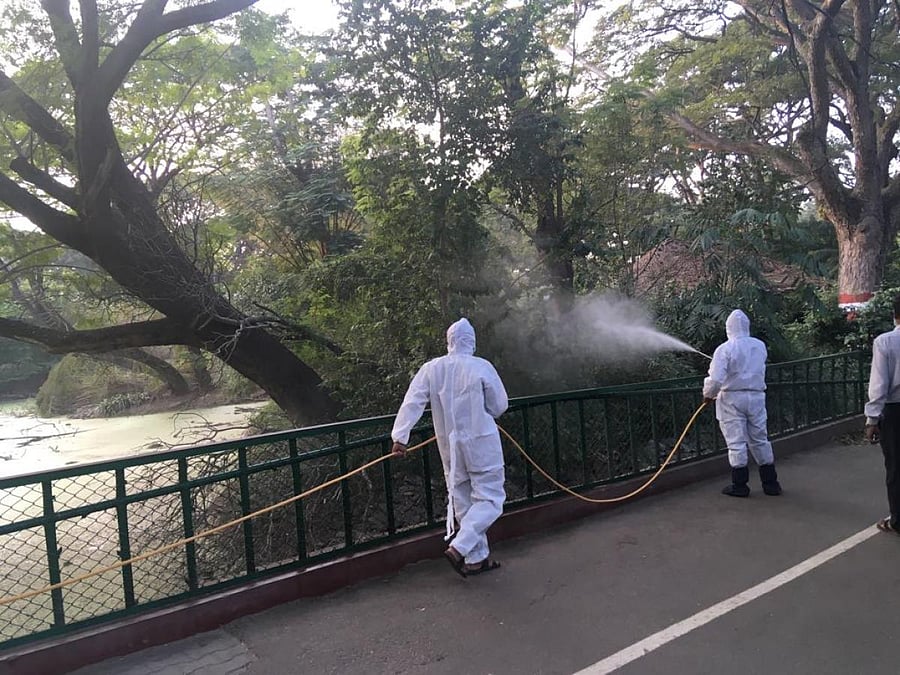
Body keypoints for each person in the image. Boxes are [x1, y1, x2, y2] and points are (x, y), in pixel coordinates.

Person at [390, 318, 509, 577]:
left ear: (449, 341)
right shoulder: (481, 366)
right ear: (472, 341)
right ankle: (460, 546)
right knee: (491, 497)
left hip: (450, 447)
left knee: (463, 499)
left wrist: (400, 437)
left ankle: (476, 561)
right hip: (481, 442)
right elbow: (499, 406)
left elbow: (412, 401)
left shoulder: (432, 369)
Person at [702, 309, 782, 497]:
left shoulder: (724, 349)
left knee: (736, 441)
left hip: (731, 398)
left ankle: (740, 485)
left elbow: (715, 380)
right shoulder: (759, 346)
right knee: (760, 438)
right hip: (756, 396)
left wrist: (708, 395)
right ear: (747, 326)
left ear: (728, 328)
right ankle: (771, 483)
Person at [864, 294, 900, 535]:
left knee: (896, 466)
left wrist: (872, 419)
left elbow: (879, 384)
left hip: (895, 410)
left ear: (895, 314)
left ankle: (897, 519)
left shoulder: (886, 342)